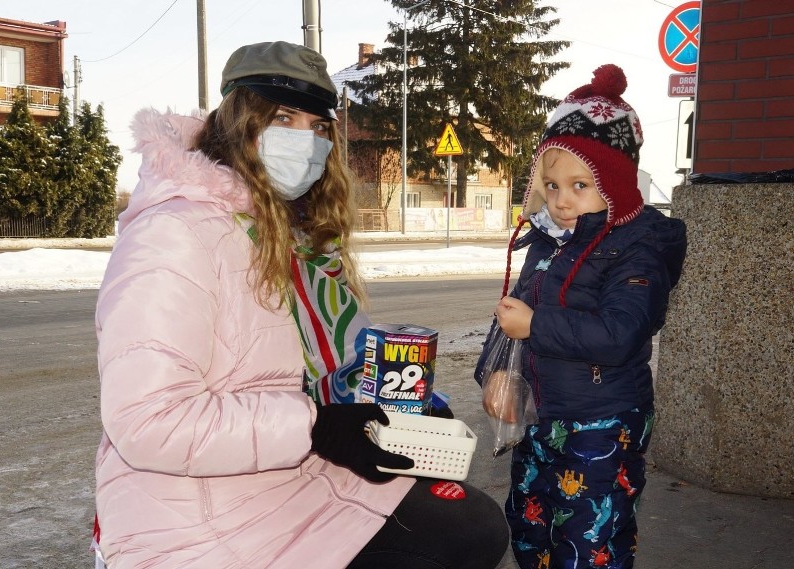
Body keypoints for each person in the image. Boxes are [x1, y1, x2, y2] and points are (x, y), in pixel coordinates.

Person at [93, 40, 508, 569]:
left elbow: (334, 371)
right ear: (238, 121)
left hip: (292, 474)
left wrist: (398, 406)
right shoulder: (171, 234)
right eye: (284, 117)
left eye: (318, 127)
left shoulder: (298, 233)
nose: (305, 142)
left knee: (472, 525)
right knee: (444, 542)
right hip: (197, 509)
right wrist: (316, 427)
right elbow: (150, 422)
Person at [487, 64, 687, 568]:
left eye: (580, 184)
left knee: (589, 539)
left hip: (603, 424)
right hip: (542, 416)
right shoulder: (547, 241)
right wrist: (495, 373)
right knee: (530, 525)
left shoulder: (635, 250)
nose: (562, 200)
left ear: (615, 182)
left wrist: (535, 325)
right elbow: (514, 314)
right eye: (550, 186)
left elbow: (619, 334)